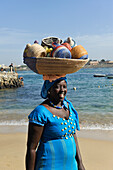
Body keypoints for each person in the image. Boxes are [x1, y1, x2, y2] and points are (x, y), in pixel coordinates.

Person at [26, 76, 85, 170]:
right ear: (49, 89)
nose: (62, 90)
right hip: (48, 165)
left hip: (71, 165)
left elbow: (73, 136)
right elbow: (31, 148)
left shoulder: (69, 107)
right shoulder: (40, 112)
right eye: (57, 87)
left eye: (64, 87)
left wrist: (80, 163)